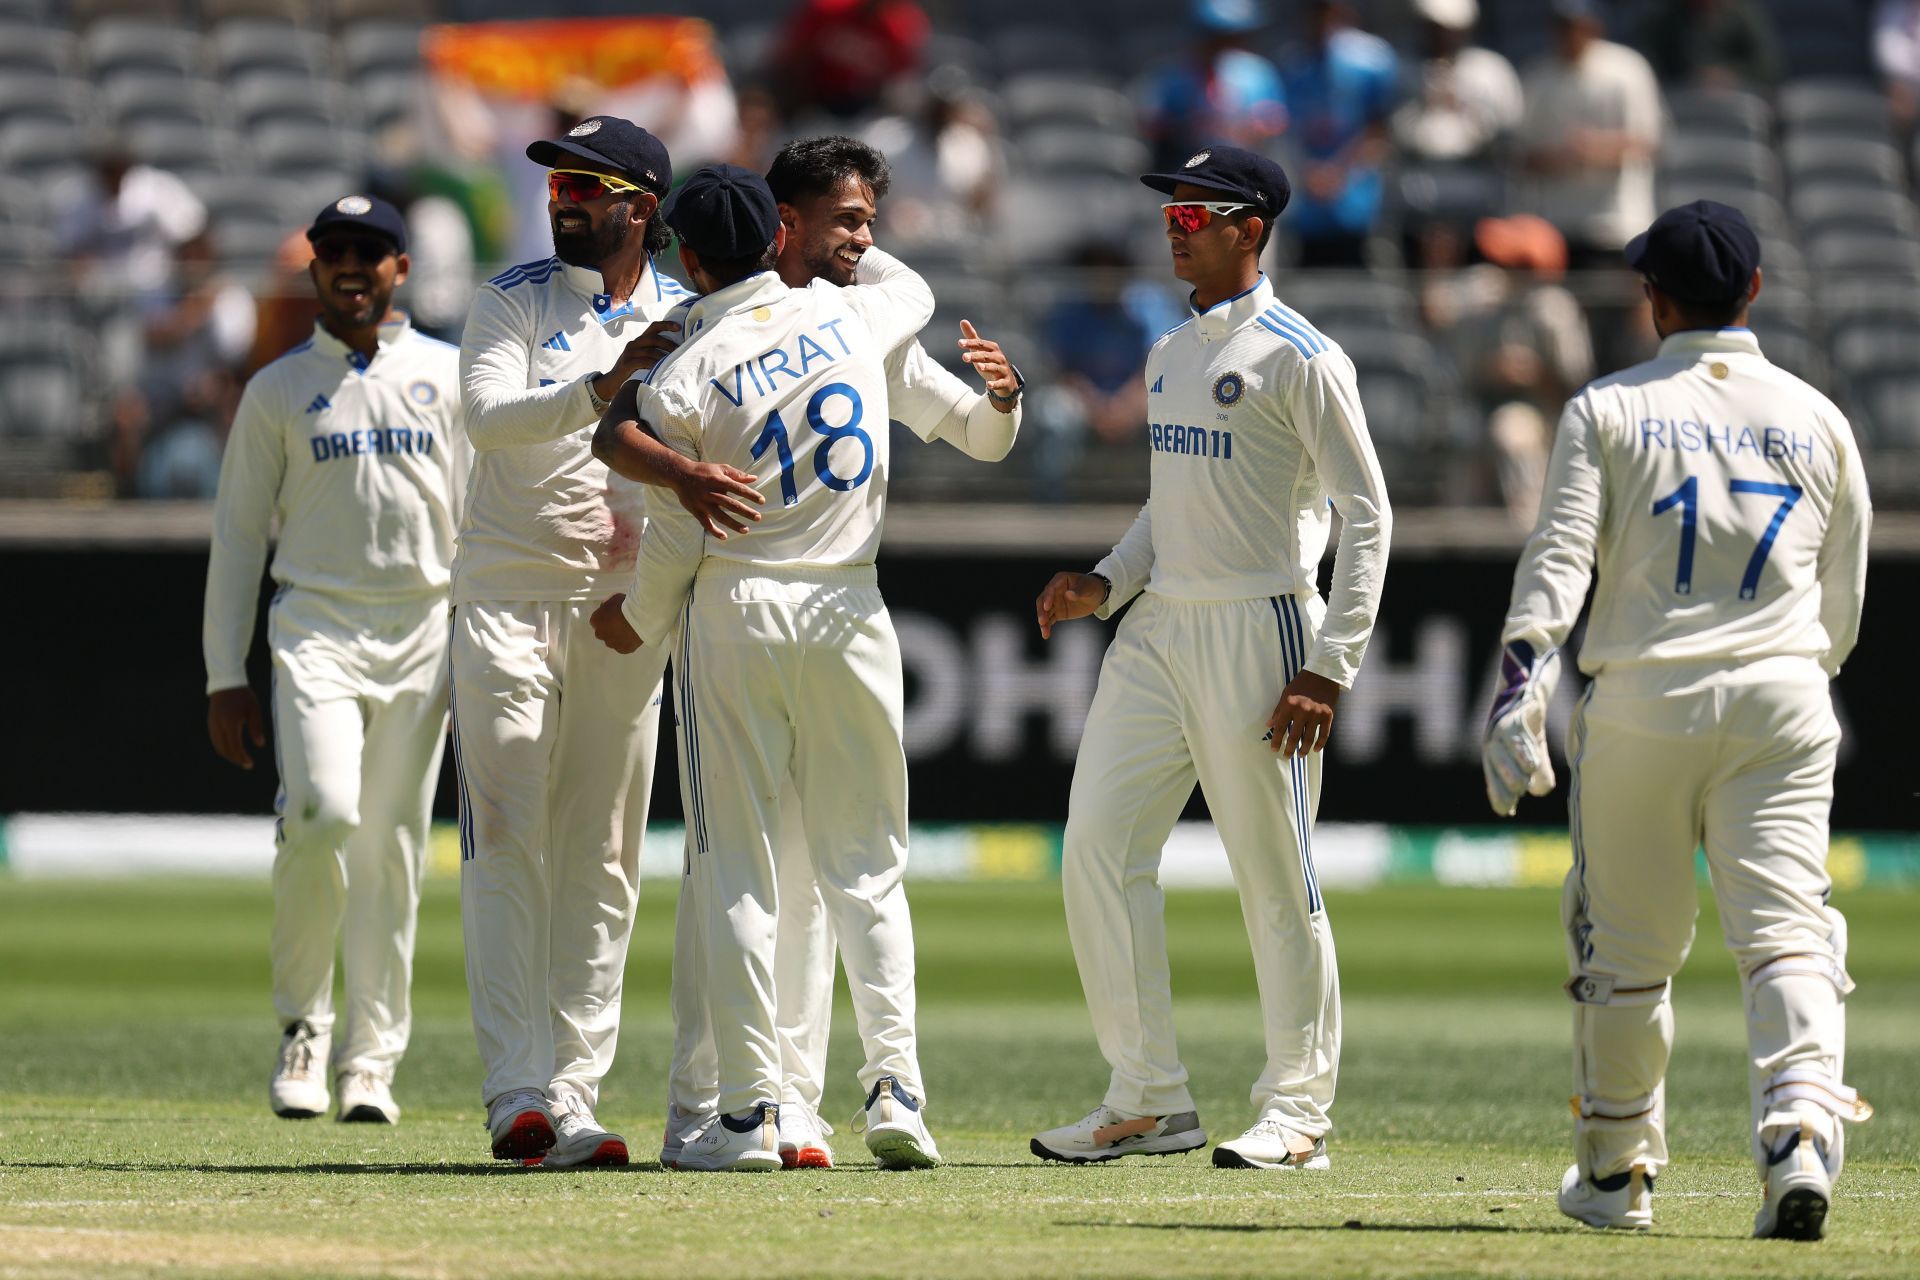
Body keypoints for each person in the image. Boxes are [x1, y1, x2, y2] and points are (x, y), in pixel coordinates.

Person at [612, 135, 1023, 1171]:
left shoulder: (697, 353)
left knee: (736, 870)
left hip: (742, 607)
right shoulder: (864, 313)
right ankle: (888, 1087)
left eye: (869, 225)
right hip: (850, 612)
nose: (863, 242)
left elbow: (620, 441)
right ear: (780, 226)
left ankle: (752, 1112)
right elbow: (913, 288)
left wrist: (1003, 405)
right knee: (863, 868)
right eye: (846, 221)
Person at [1483, 201, 1874, 1239]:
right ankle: (1798, 1128)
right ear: (1753, 293)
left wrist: (1523, 679)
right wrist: (1789, 668)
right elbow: (1843, 604)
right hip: (1786, 697)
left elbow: (1560, 555)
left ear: (1653, 299)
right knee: (1788, 930)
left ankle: (1616, 1170)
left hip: (1644, 704)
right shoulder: (1820, 416)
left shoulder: (1607, 408)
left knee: (1626, 946)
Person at [1029, 145, 1392, 1169]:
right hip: (1156, 631)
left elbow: (1368, 515)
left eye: (1198, 213)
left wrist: (1331, 663)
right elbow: (1169, 500)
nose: (1176, 226)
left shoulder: (1303, 355)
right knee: (1097, 844)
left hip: (1260, 625)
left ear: (1253, 229)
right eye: (1172, 212)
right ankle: (1147, 1096)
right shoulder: (1170, 348)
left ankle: (1298, 1111)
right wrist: (1108, 578)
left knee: (1276, 877)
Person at [452, 116, 692, 1169]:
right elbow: (488, 418)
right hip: (506, 592)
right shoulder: (512, 296)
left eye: (585, 189)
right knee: (505, 834)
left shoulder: (693, 314)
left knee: (602, 850)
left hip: (622, 607)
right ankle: (516, 1093)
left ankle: (574, 1090)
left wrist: (652, 583)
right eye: (554, 186)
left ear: (641, 205)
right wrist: (600, 387)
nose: (561, 203)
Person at [201, 194, 464, 1127]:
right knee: (321, 815)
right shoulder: (277, 389)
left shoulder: (450, 374)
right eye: (334, 252)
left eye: (371, 251)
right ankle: (304, 1028)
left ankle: (371, 1060)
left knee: (392, 849)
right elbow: (237, 541)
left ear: (401, 267)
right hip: (315, 625)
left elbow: (480, 527)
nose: (351, 266)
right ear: (313, 269)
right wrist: (223, 674)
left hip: (426, 630)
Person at [1516, 0, 1663, 269]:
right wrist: (1561, 157)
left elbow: (1647, 142)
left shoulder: (1627, 70)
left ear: (1594, 26)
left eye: (1577, 25)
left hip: (1618, 224)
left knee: (1630, 303)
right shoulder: (1537, 77)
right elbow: (1523, 156)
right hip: (1556, 228)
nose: (1570, 34)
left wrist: (1592, 149)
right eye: (1563, 26)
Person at [1275, 0, 1400, 268]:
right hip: (1308, 203)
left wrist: (1338, 172)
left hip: (1355, 200)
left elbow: (1379, 131)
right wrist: (1307, 170)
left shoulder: (1373, 60)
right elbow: (1287, 130)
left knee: (1358, 276)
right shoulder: (1294, 64)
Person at [1136, 0, 1288, 173]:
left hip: (1242, 173)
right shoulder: (1173, 77)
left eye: (1229, 37)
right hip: (1188, 169)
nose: (1219, 46)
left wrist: (1246, 129)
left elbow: (1276, 123)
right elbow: (1151, 125)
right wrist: (1184, 127)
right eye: (1213, 37)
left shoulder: (1257, 74)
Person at [1390, 0, 1522, 165]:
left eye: (1447, 29)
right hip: (1415, 171)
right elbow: (1391, 127)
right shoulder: (1403, 68)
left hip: (1478, 170)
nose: (1440, 36)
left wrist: (1463, 105)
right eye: (1433, 27)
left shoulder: (1490, 70)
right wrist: (1426, 100)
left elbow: (1508, 128)